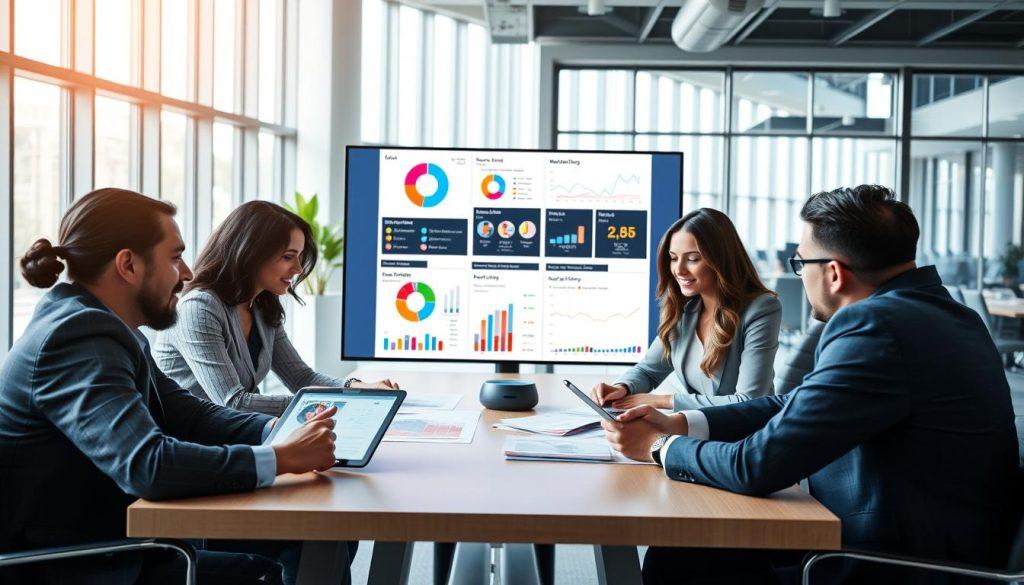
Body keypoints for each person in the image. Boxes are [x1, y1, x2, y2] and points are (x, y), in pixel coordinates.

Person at [603, 185, 1021, 584]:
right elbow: (795, 401)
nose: (800, 277)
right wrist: (681, 423)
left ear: (834, 273)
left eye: (802, 264)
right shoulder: (950, 314)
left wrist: (659, 447)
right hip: (939, 539)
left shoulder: (873, 325)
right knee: (684, 550)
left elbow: (758, 465)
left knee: (677, 558)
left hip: (892, 562)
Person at [0, 188, 350, 585]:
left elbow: (189, 412)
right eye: (174, 257)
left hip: (121, 540)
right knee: (266, 572)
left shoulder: (109, 328)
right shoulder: (80, 336)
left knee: (316, 541)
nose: (186, 274)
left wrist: (273, 431)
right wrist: (280, 458)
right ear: (128, 265)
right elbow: (149, 465)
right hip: (77, 563)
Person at [153, 201, 396, 417]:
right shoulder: (199, 308)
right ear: (252, 253)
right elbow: (233, 403)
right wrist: (328, 403)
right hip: (192, 446)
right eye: (289, 257)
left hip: (235, 437)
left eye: (299, 256)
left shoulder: (261, 306)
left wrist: (359, 388)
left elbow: (302, 378)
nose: (299, 268)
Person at [591, 208, 782, 412]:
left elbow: (750, 401)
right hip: (698, 431)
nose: (679, 270)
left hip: (746, 435)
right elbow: (648, 371)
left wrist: (664, 401)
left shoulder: (761, 309)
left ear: (720, 259)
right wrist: (622, 388)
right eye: (673, 258)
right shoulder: (685, 310)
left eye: (692, 259)